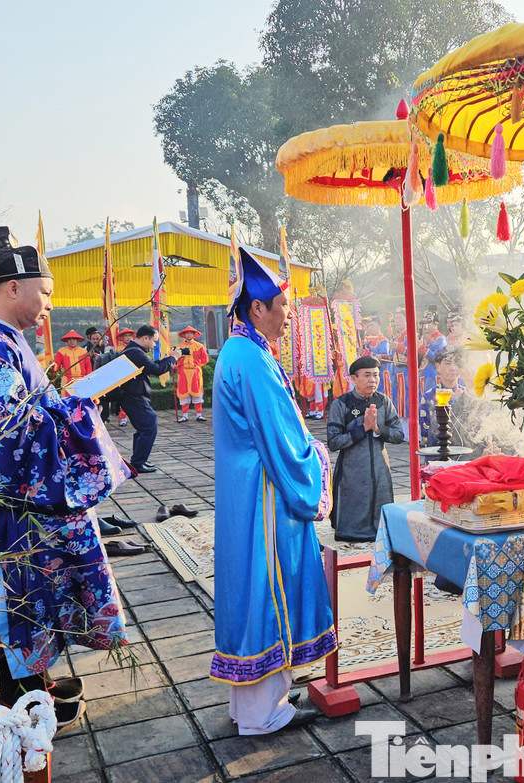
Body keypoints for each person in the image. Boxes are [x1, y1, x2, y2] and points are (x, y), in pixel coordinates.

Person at [0, 226, 132, 725]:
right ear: (14, 287)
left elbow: (32, 414)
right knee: (21, 618)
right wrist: (78, 410)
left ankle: (30, 708)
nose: (50, 306)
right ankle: (22, 723)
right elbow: (18, 435)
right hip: (20, 519)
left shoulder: (3, 340)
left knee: (27, 620)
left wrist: (68, 401)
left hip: (26, 515)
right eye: (47, 294)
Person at [211, 248, 331, 733]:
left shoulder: (240, 350)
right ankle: (262, 714)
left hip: (246, 494)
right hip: (264, 497)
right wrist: (314, 464)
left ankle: (254, 706)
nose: (287, 315)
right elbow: (280, 437)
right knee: (267, 588)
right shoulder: (252, 359)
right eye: (281, 306)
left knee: (251, 589)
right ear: (256, 308)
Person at [326, 355, 404, 541]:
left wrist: (378, 428)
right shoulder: (341, 404)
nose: (373, 380)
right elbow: (334, 442)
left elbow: (399, 435)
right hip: (352, 470)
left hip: (380, 467)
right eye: (367, 375)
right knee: (353, 518)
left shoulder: (383, 401)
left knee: (382, 521)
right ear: (354, 379)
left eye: (376, 375)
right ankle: (352, 533)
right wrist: (363, 429)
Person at [120, 326, 180, 473]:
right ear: (145, 338)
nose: (154, 345)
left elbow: (153, 366)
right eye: (154, 341)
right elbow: (156, 370)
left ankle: (138, 461)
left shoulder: (135, 351)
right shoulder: (135, 352)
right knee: (149, 425)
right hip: (133, 396)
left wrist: (169, 358)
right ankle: (138, 462)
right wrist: (174, 358)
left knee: (143, 428)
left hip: (132, 396)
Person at [418, 346, 467, 448]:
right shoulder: (429, 396)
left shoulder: (466, 394)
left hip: (463, 452)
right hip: (438, 452)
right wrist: (451, 403)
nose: (453, 368)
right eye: (448, 364)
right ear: (438, 366)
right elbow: (426, 434)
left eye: (456, 364)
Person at [174, 326, 210, 423]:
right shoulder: (179, 347)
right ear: (184, 335)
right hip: (183, 372)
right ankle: (184, 416)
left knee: (197, 392)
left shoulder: (199, 346)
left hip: (195, 372)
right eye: (187, 333)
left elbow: (205, 359)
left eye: (191, 333)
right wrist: (176, 365)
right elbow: (174, 360)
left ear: (194, 334)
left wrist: (197, 366)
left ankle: (199, 415)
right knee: (183, 393)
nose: (189, 334)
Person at [362, 317, 393, 398]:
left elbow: (384, 357)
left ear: (379, 326)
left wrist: (366, 353)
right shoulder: (367, 342)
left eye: (372, 325)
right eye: (368, 326)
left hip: (381, 374)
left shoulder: (383, 341)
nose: (370, 328)